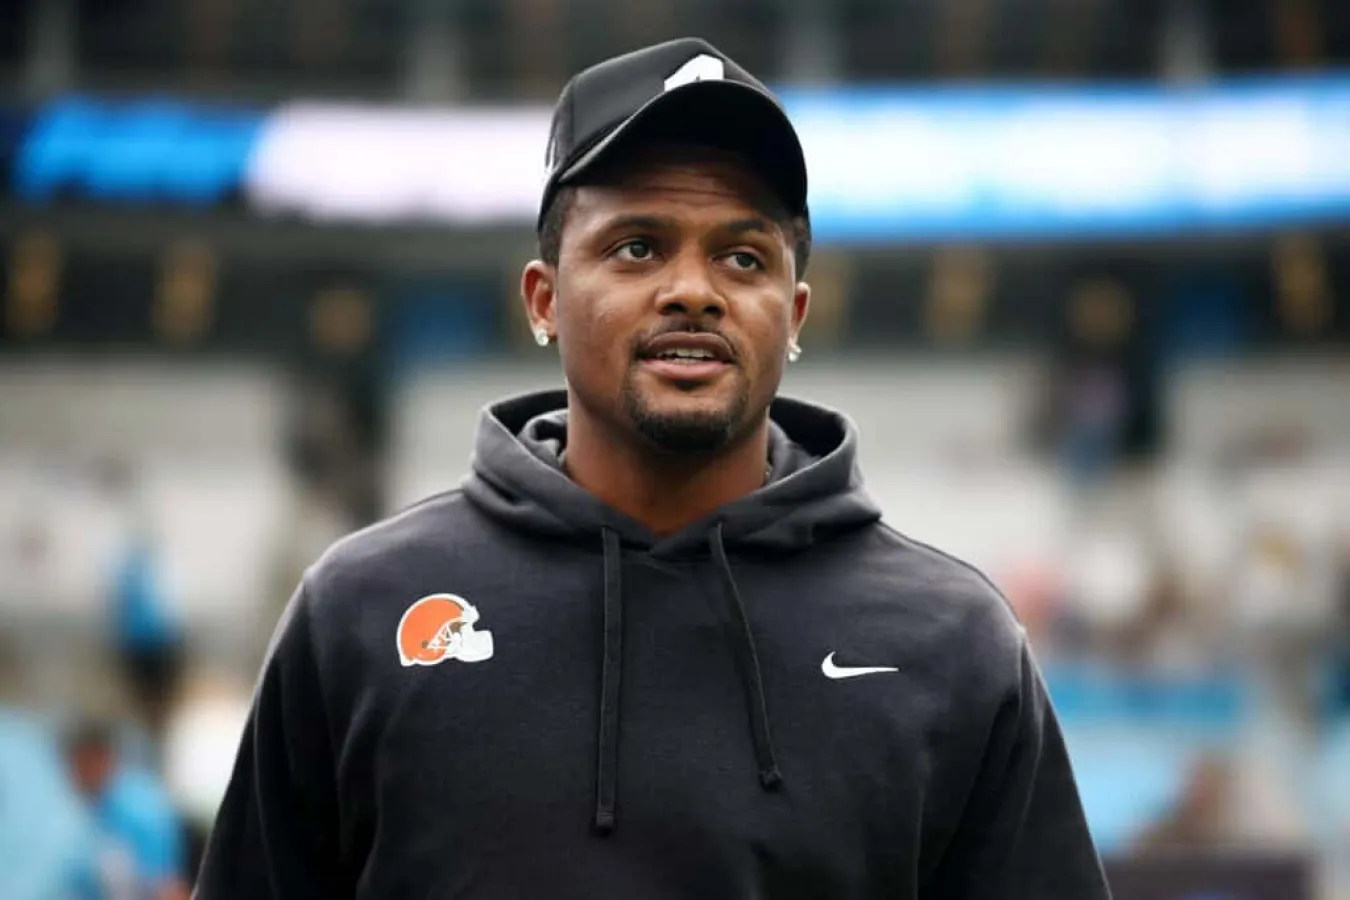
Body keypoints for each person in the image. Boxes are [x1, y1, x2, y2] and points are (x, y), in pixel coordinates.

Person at [195, 37, 1110, 899]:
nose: (692, 289)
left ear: (792, 315)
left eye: (741, 257)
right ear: (544, 299)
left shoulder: (951, 643)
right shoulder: (362, 610)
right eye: (637, 247)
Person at [63, 718, 192, 900]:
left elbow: (168, 887)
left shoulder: (140, 810)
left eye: (79, 765)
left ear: (99, 759)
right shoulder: (94, 807)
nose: (75, 777)